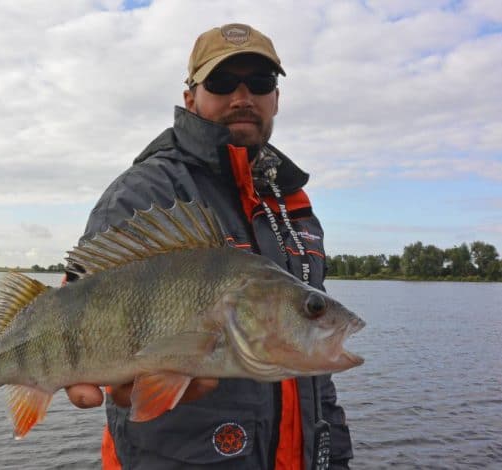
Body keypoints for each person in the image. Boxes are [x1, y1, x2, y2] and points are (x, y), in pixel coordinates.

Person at [65, 23, 354, 469]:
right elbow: (84, 295)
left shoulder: (290, 201)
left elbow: (311, 371)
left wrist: (333, 455)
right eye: (221, 83)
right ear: (190, 98)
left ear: (276, 98)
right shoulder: (146, 192)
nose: (243, 97)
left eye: (260, 83)